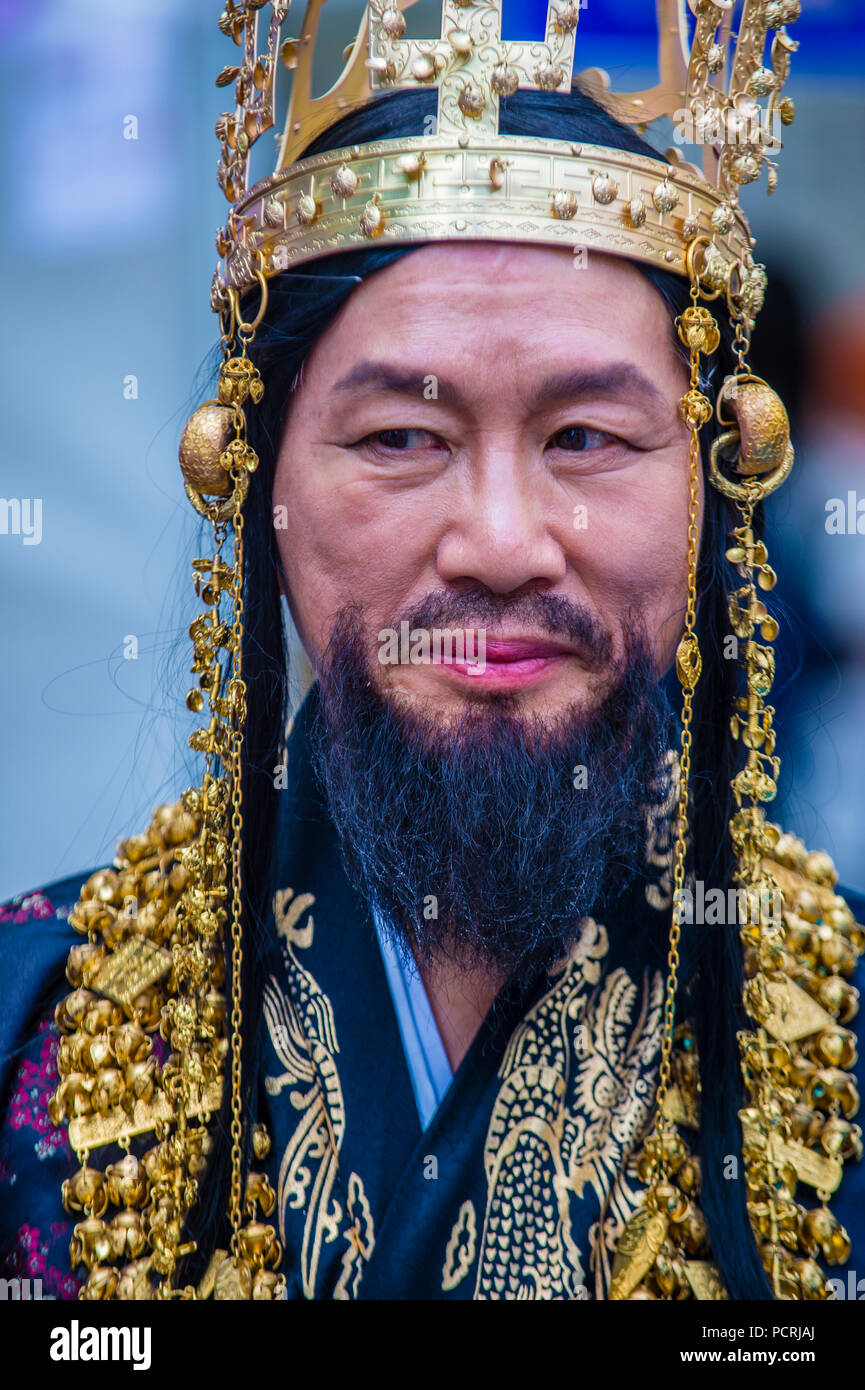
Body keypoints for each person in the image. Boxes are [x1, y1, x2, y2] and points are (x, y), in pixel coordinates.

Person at [1, 0, 863, 1302]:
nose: (502, 541)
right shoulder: (38, 1028)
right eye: (401, 439)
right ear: (254, 487)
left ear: (713, 489)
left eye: (587, 437)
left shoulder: (839, 1034)